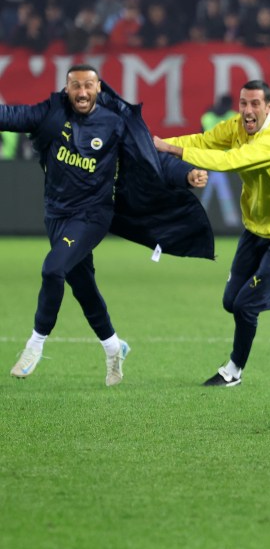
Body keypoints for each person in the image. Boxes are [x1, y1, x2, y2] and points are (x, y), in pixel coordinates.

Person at [3, 64, 213, 385]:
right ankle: (114, 347)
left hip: (93, 215)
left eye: (89, 85)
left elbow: (149, 157)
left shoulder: (114, 122)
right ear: (67, 88)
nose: (82, 92)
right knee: (83, 287)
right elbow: (13, 116)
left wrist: (184, 174)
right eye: (76, 86)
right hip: (56, 215)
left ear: (99, 87)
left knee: (52, 269)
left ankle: (36, 343)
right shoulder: (52, 113)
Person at [153, 79, 270, 387]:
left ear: (269, 107)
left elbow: (228, 161)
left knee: (245, 306)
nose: (247, 111)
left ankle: (233, 372)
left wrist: (169, 148)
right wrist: (159, 144)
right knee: (232, 301)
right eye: (243, 104)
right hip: (256, 228)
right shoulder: (239, 126)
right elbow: (205, 140)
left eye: (255, 104)